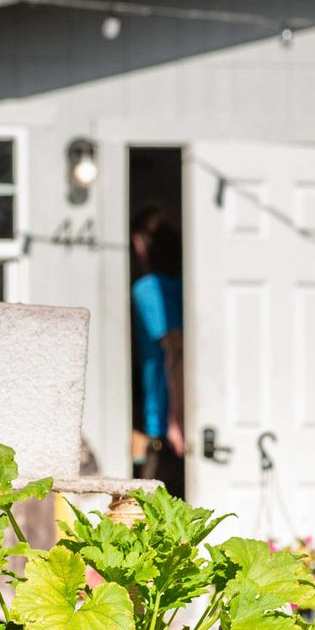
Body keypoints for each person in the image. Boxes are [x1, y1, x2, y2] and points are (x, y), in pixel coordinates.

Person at [130, 206, 186, 495]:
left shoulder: (149, 289)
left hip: (165, 423)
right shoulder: (184, 284)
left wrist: (176, 419)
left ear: (140, 243)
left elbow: (175, 348)